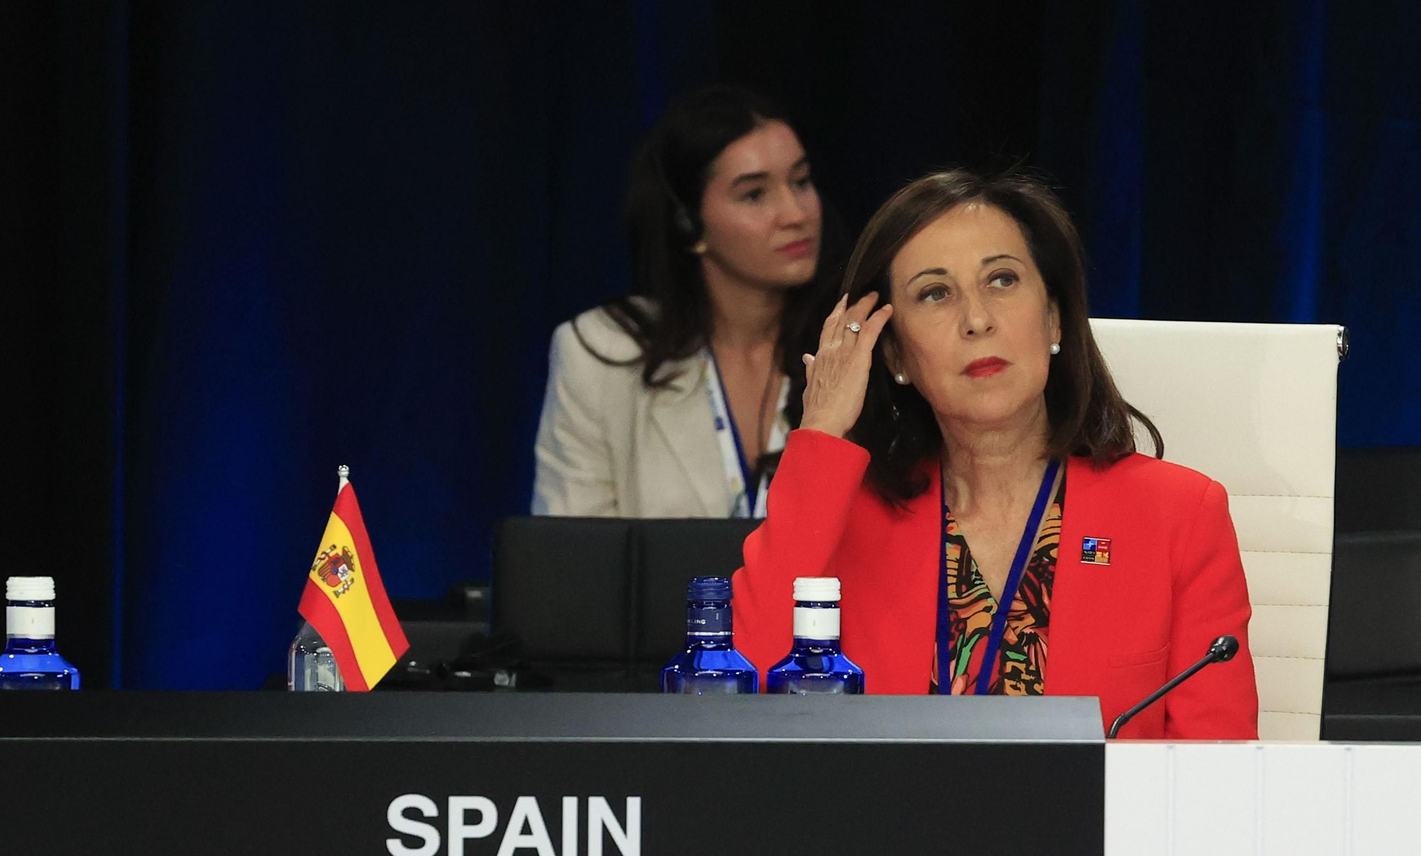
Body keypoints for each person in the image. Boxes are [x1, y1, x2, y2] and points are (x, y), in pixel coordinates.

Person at [732, 169, 1259, 739]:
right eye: (935, 294)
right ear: (894, 356)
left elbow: (1218, 777)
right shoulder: (845, 521)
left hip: (1101, 828)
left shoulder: (1179, 515)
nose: (977, 319)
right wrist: (823, 435)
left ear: (1054, 318)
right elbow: (746, 698)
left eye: (1002, 280)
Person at [531, 86, 845, 517]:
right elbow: (570, 565)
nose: (795, 214)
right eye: (755, 194)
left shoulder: (854, 346)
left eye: (801, 181)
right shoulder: (601, 354)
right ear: (688, 224)